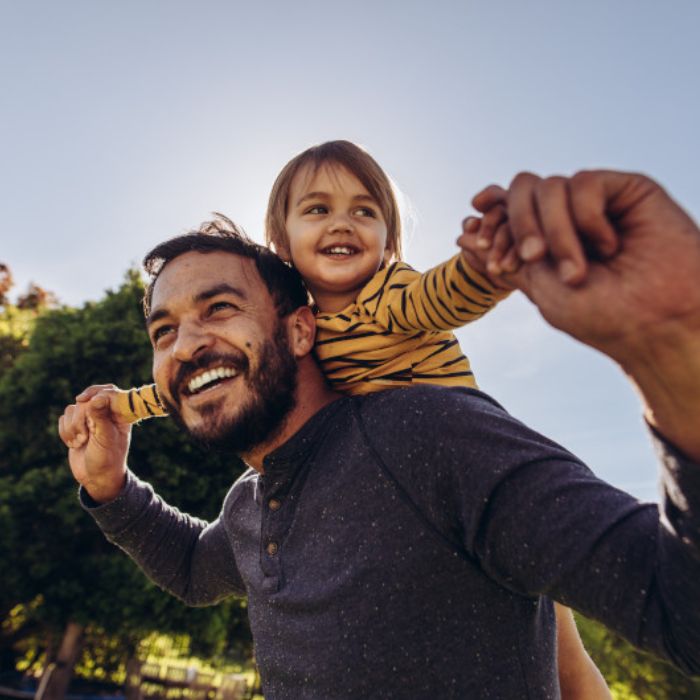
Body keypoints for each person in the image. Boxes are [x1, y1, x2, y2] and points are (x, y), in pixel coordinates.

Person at [59, 167, 700, 697]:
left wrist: (674, 352)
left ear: (300, 330)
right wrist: (111, 488)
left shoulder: (427, 432)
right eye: (163, 331)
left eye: (220, 308)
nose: (187, 345)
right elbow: (196, 569)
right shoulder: (252, 505)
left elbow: (682, 611)